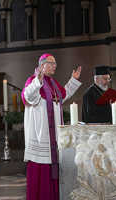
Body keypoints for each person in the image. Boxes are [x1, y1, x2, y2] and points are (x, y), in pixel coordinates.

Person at [21, 53, 82, 200]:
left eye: (55, 63)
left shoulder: (53, 83)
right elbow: (28, 96)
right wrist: (38, 80)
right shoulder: (33, 81)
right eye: (51, 63)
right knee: (41, 170)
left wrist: (73, 80)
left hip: (54, 136)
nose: (55, 66)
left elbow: (63, 95)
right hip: (40, 135)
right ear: (42, 65)